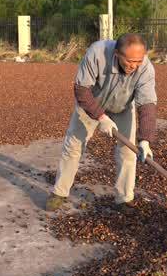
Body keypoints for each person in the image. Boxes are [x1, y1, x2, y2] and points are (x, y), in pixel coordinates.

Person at [48, 33, 159, 212]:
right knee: (73, 145)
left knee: (128, 152)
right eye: (130, 61)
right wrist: (101, 117)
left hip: (122, 107)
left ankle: (124, 199)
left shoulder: (145, 68)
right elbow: (81, 90)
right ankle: (59, 192)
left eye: (139, 61)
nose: (134, 66)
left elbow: (147, 104)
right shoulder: (97, 53)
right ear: (117, 54)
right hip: (91, 102)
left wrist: (145, 140)